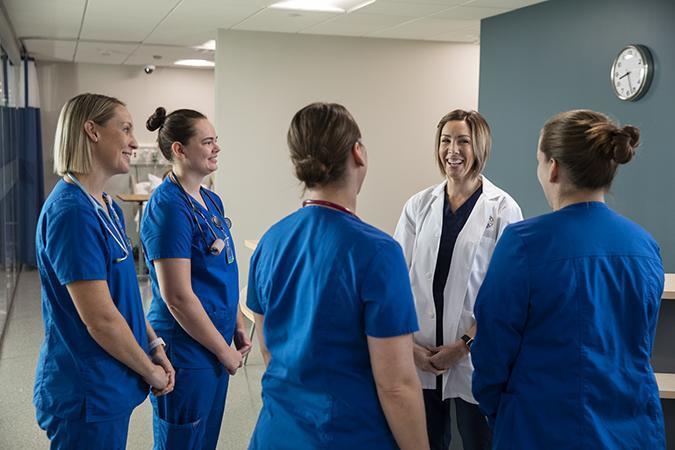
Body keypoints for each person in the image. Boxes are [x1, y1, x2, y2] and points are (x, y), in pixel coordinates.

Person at [472, 109, 666, 449]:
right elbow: (638, 345)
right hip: (633, 432)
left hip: (541, 430)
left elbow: (491, 354)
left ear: (553, 168)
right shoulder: (644, 247)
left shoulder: (524, 244)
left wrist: (499, 413)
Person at [247, 102, 428, 450]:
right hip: (346, 436)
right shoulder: (377, 252)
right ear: (357, 153)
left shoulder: (270, 242)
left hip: (277, 433)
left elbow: (269, 351)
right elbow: (396, 386)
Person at [34, 93, 174, 449]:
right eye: (125, 129)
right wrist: (149, 369)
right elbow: (100, 319)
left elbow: (123, 295)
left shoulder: (105, 207)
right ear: (91, 131)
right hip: (86, 391)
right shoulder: (72, 213)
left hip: (111, 381)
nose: (133, 141)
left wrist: (153, 343)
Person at [394, 109, 522, 450]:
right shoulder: (418, 205)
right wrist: (410, 347)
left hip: (472, 356)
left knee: (479, 441)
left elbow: (507, 295)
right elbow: (395, 279)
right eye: (446, 140)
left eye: (463, 141)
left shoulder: (503, 209)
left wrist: (464, 345)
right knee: (424, 442)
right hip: (420, 353)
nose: (453, 149)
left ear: (479, 146)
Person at [141, 107, 250, 449]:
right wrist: (224, 352)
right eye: (207, 142)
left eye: (216, 140)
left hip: (213, 340)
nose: (216, 148)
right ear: (179, 149)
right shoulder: (168, 208)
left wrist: (235, 324)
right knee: (183, 439)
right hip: (186, 349)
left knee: (204, 438)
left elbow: (223, 268)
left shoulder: (210, 200)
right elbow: (177, 297)